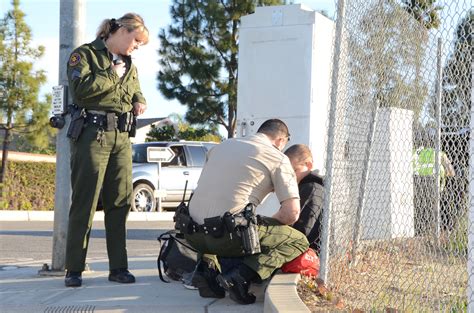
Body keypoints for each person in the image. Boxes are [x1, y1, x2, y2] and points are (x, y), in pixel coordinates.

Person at [179, 119, 309, 305]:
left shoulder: (221, 147)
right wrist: (264, 226)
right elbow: (291, 214)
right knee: (297, 241)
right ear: (281, 140)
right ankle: (240, 277)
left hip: (193, 234)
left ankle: (206, 269)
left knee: (214, 215)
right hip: (228, 237)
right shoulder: (278, 157)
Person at [64, 13, 149, 287]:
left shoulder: (129, 63)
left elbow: (135, 89)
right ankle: (74, 269)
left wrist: (139, 100)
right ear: (123, 31)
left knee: (120, 204)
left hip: (121, 137)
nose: (136, 47)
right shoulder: (85, 55)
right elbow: (80, 91)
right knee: (85, 202)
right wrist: (111, 75)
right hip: (93, 134)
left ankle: (118, 268)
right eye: (136, 41)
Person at [284, 144, 324, 254]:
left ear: (309, 165)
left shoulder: (311, 188)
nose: (290, 176)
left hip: (309, 253)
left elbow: (304, 230)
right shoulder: (309, 186)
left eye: (294, 170)